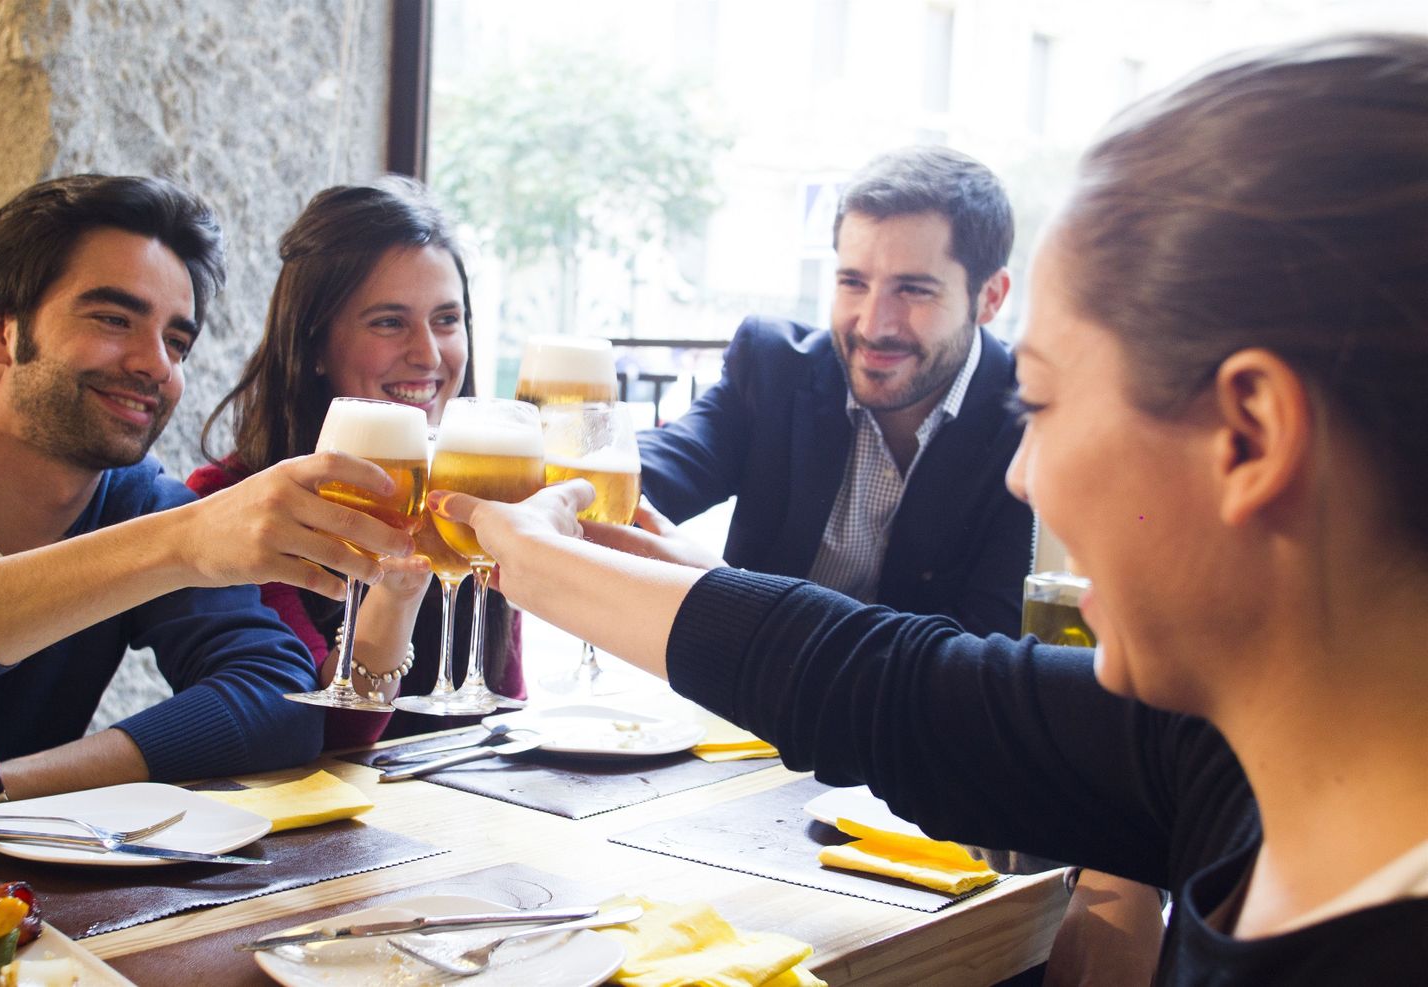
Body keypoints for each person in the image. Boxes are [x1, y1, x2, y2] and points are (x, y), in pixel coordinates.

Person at [431, 33, 1428, 983]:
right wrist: (550, 549)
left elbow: (911, 681)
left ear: (1248, 438)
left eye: (1042, 401)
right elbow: (891, 687)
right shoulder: (1218, 755)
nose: (1023, 473)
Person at [0, 175, 415, 829]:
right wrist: (176, 544)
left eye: (177, 341)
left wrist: (2, 787)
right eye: (113, 319)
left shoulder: (141, 504)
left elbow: (280, 700)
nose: (156, 365)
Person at [636, 147, 1033, 637]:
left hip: (911, 712)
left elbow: (988, 651)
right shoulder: (775, 368)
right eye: (853, 282)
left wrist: (723, 591)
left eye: (912, 290)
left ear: (989, 297)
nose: (873, 324)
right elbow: (652, 472)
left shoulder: (1030, 419)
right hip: (746, 709)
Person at [190, 178, 521, 745]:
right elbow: (313, 736)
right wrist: (397, 590)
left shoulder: (474, 495)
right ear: (313, 345)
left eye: (447, 319)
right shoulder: (231, 499)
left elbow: (500, 717)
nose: (429, 354)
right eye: (389, 322)